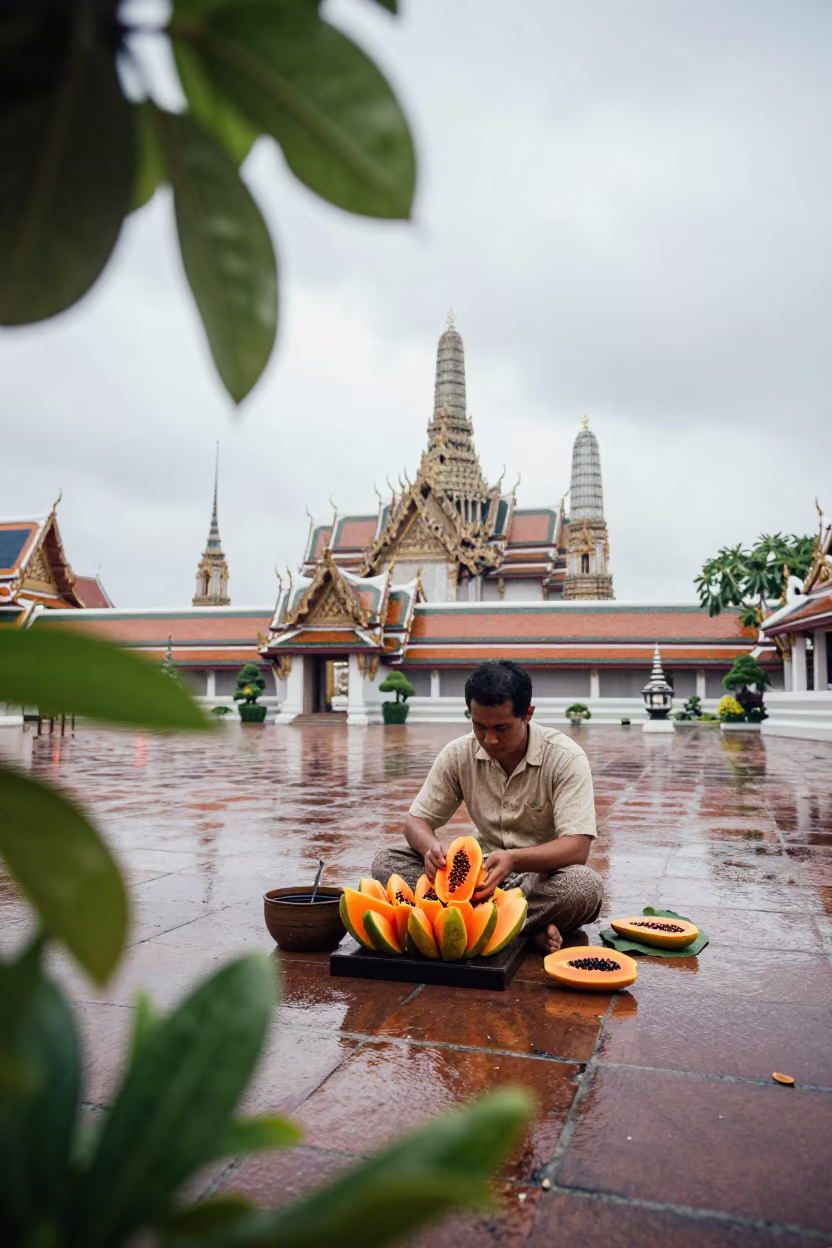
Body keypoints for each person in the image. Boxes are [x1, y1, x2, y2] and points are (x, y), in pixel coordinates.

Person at [371, 659, 603, 954]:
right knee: (387, 862)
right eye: (479, 726)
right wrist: (430, 848)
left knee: (583, 887)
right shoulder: (458, 753)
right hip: (475, 876)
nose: (489, 739)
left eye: (501, 728)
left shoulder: (565, 758)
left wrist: (514, 859)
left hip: (538, 878)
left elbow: (577, 848)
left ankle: (462, 922)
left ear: (527, 714)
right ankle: (520, 927)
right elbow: (415, 822)